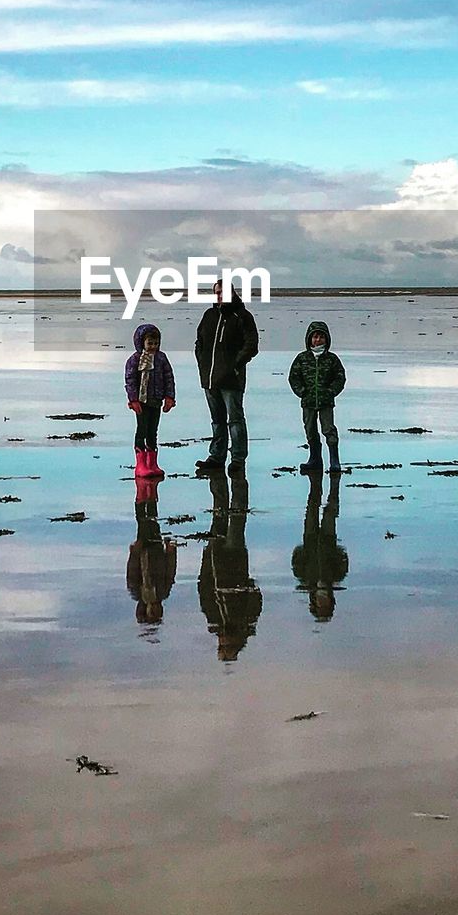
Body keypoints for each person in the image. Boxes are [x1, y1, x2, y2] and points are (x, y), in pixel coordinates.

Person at [194, 279, 259, 473]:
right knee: (217, 420)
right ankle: (216, 456)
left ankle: (238, 459)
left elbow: (251, 345)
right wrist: (202, 364)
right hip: (210, 378)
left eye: (223, 292)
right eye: (217, 292)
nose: (220, 296)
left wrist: (235, 365)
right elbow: (200, 342)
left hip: (231, 378)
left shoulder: (243, 316)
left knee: (235, 420)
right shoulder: (210, 315)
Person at [197, 467, 262, 660]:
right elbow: (256, 599)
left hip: (222, 560)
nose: (221, 640)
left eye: (221, 645)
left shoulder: (215, 621)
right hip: (234, 561)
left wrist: (205, 562)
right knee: (231, 518)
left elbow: (204, 590)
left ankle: (230, 482)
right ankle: (232, 482)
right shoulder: (246, 622)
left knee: (225, 517)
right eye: (224, 645)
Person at [288, 319, 345, 473]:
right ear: (309, 339)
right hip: (308, 401)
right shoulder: (302, 358)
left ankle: (334, 460)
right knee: (310, 430)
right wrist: (301, 392)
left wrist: (331, 391)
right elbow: (293, 377)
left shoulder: (332, 359)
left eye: (321, 337)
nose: (317, 340)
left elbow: (340, 378)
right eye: (315, 337)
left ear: (326, 339)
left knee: (329, 430)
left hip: (326, 401)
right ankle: (315, 459)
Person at [292, 469, 349, 622]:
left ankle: (319, 486)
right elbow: (343, 560)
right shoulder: (336, 578)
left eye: (321, 605)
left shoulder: (305, 579)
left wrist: (300, 551)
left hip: (313, 541)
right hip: (325, 541)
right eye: (324, 605)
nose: (323, 602)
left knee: (312, 508)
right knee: (328, 511)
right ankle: (327, 487)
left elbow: (296, 562)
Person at [125, 322, 175, 478]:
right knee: (142, 430)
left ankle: (152, 463)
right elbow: (130, 380)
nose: (153, 346)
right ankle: (140, 464)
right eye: (150, 343)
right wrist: (133, 400)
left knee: (153, 431)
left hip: (156, 400)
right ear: (142, 343)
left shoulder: (161, 358)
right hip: (141, 401)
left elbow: (168, 377)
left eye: (156, 343)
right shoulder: (135, 359)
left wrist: (169, 397)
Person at [127, 479, 177, 625]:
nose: (157, 610)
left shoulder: (137, 592)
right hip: (155, 551)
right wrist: (170, 552)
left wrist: (134, 553)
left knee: (144, 522)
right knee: (150, 522)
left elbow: (132, 572)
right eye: (158, 613)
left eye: (154, 613)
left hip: (145, 551)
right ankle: (148, 496)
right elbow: (170, 572)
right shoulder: (163, 593)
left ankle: (142, 496)